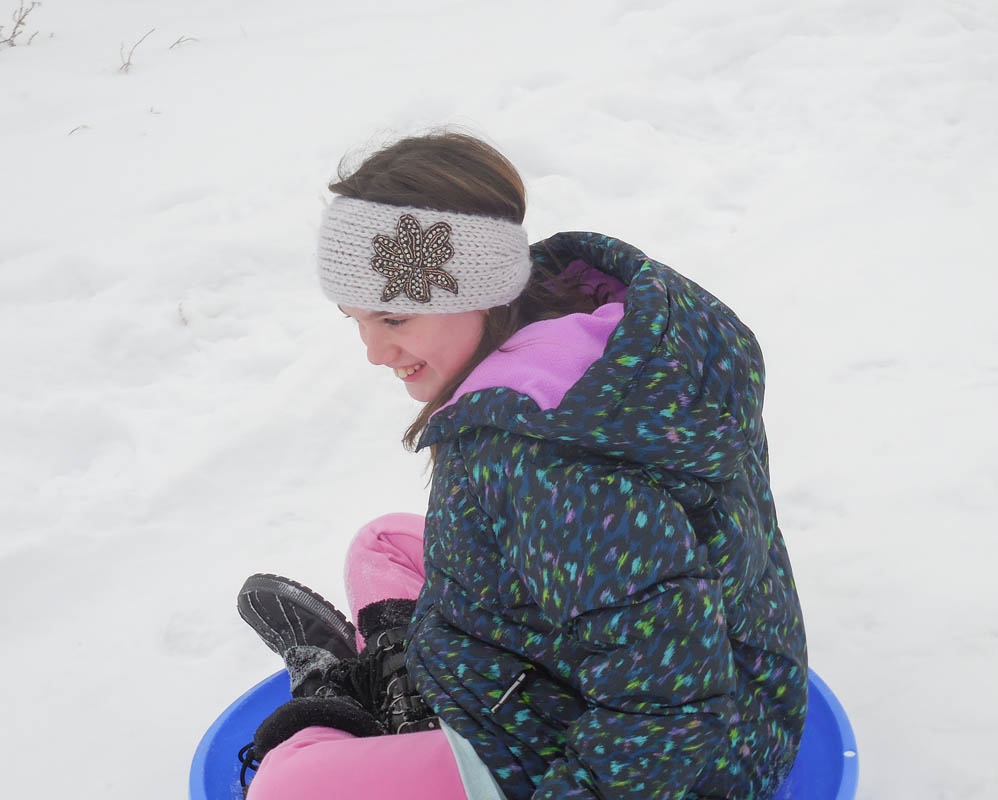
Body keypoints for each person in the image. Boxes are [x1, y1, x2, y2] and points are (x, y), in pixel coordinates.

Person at [235, 131, 808, 800]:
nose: (373, 351)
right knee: (383, 542)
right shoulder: (573, 333)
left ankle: (331, 692)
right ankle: (397, 676)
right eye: (355, 319)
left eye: (393, 317)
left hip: (676, 763)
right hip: (645, 677)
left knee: (285, 788)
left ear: (478, 290)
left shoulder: (553, 461)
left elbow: (665, 710)